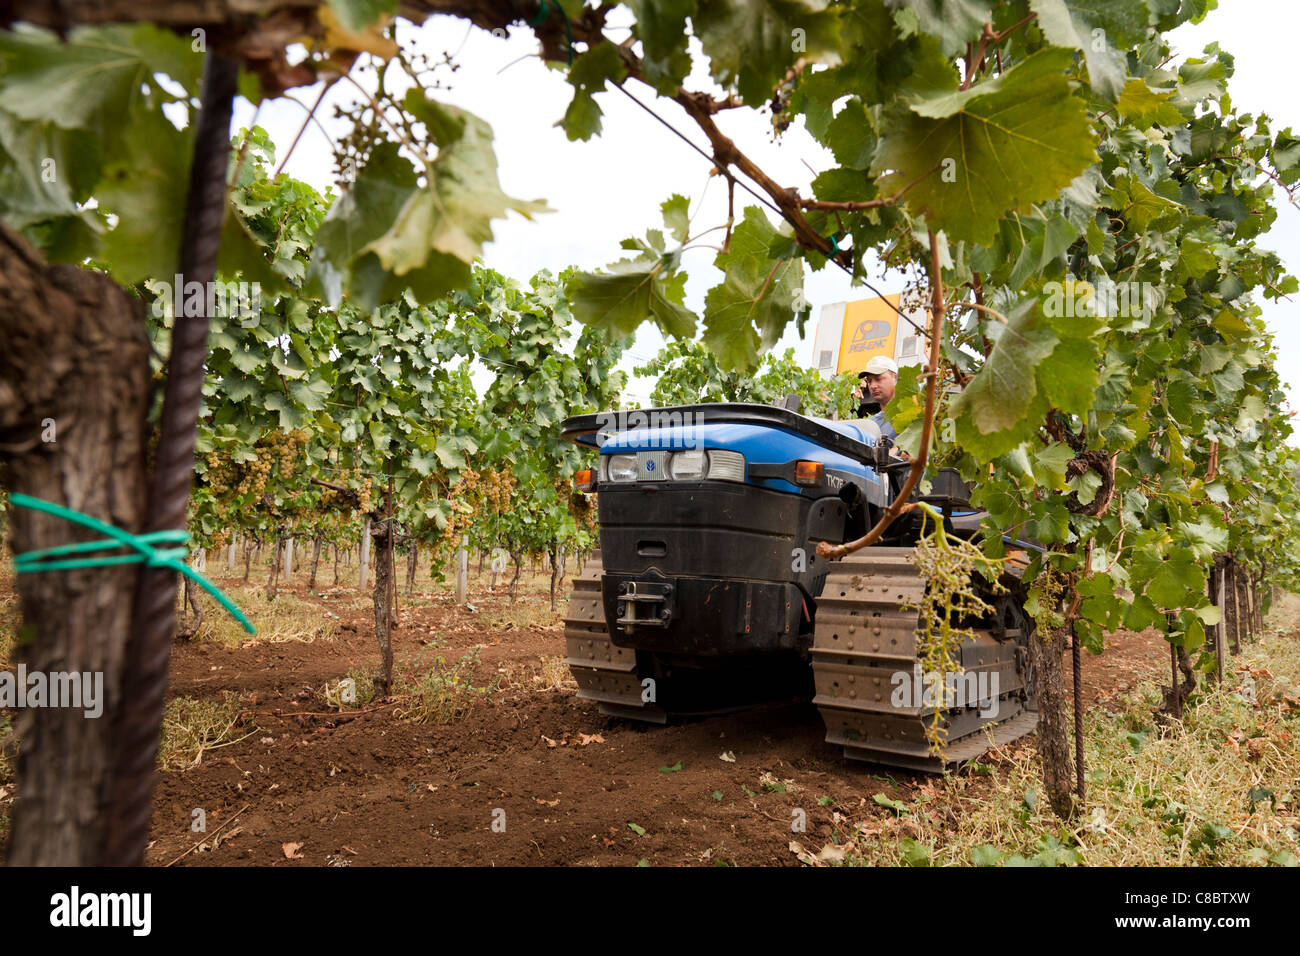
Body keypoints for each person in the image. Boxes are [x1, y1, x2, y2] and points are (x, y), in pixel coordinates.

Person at [857, 355, 899, 443]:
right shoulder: (869, 424)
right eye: (869, 381)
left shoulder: (912, 416)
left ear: (894, 378)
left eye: (878, 379)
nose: (873, 386)